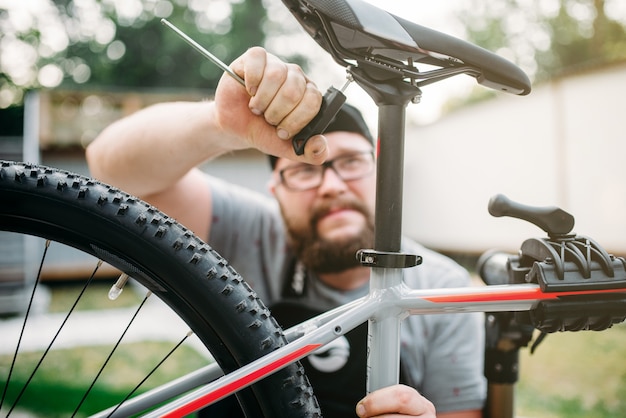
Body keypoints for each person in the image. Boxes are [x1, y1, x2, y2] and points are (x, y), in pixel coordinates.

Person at [86, 47, 486, 418]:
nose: (331, 186)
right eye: (304, 169)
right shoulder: (249, 230)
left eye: (350, 162)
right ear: (275, 191)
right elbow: (109, 168)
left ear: (382, 173)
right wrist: (222, 124)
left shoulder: (441, 288)